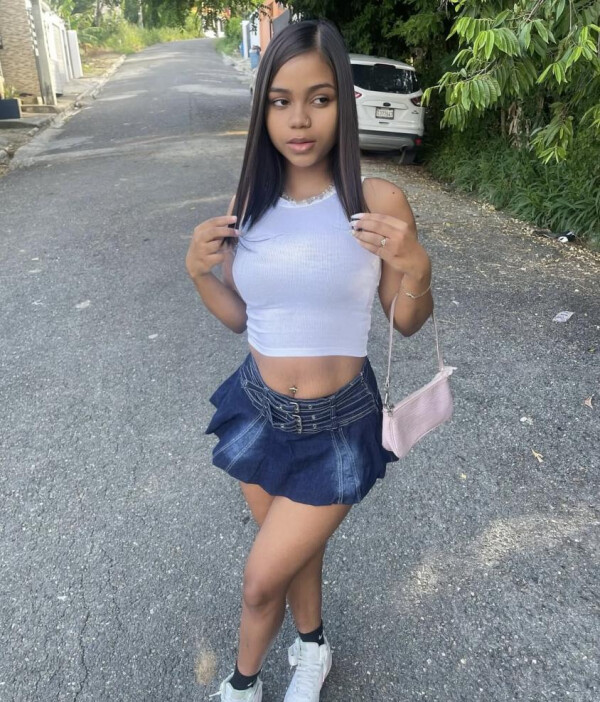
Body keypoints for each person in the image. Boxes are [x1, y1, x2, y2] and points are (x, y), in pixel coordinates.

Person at [185, 18, 433, 702]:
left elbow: (406, 321)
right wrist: (198, 273)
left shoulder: (376, 201)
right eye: (281, 101)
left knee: (261, 578)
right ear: (263, 109)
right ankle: (313, 647)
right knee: (296, 551)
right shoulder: (249, 204)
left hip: (339, 425)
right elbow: (242, 316)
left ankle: (241, 685)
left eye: (319, 99)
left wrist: (417, 266)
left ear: (342, 104)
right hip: (257, 411)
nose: (300, 120)